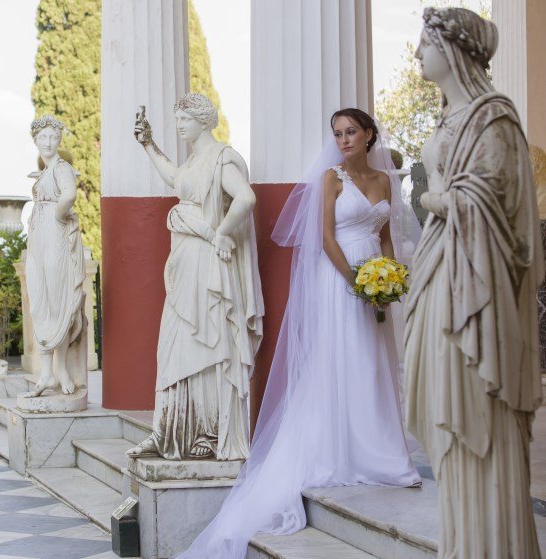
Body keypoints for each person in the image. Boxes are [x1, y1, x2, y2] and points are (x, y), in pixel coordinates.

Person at [177, 108, 422, 558]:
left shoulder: (386, 182)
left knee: (374, 365)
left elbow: (387, 236)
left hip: (376, 280)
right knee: (340, 360)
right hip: (340, 280)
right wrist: (357, 283)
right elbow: (325, 238)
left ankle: (384, 454)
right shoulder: (331, 178)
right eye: (337, 133)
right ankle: (334, 452)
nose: (343, 139)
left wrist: (390, 278)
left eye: (351, 132)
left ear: (369, 135)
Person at [405, 8, 543, 557]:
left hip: (477, 290)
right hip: (444, 276)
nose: (417, 54)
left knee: (478, 414)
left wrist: (435, 198)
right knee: (451, 419)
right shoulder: (446, 119)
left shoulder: (494, 118)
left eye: (424, 44)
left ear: (453, 49)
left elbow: (494, 206)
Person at [127, 93, 264, 461]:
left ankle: (210, 430)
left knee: (207, 342)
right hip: (184, 260)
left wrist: (221, 233)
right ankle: (170, 428)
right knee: (174, 343)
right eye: (177, 120)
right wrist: (149, 145)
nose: (179, 125)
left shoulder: (222, 158)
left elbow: (246, 198)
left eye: (184, 119)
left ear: (204, 120)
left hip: (207, 262)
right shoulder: (192, 162)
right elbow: (175, 177)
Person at [21, 115, 87, 397]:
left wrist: (58, 218)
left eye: (52, 138)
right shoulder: (45, 171)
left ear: (59, 140)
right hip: (38, 239)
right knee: (40, 303)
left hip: (55, 237)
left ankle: (60, 369)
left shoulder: (62, 168)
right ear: (35, 141)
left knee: (58, 302)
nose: (48, 143)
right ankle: (46, 373)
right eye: (42, 138)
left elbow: (69, 196)